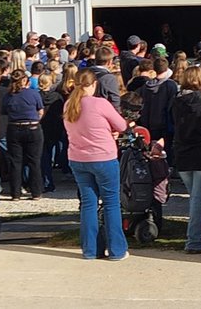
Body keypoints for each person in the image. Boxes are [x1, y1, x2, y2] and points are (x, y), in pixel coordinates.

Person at [63, 69, 130, 260]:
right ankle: (117, 250)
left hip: (78, 158)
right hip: (103, 157)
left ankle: (90, 249)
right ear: (93, 85)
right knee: (111, 203)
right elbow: (122, 125)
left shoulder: (69, 104)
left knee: (88, 204)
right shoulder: (100, 103)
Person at [171, 66, 201, 254]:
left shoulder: (175, 101)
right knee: (198, 199)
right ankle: (194, 241)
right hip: (200, 152)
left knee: (196, 197)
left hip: (182, 152)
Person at [3, 69, 45, 200]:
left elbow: (5, 112)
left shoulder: (7, 96)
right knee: (34, 161)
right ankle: (36, 192)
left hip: (14, 128)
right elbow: (41, 111)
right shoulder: (33, 94)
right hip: (32, 127)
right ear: (25, 81)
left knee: (15, 162)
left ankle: (15, 193)